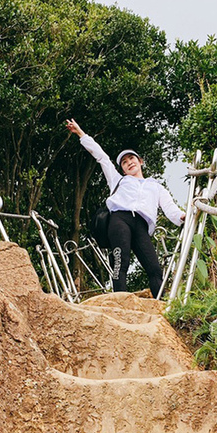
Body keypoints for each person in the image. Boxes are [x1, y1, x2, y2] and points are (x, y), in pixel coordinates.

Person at [65, 118, 184, 298]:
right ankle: (120, 302)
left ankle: (162, 306)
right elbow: (101, 156)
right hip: (119, 219)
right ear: (122, 169)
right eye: (124, 162)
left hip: (142, 225)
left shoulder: (156, 186)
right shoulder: (118, 180)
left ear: (141, 161)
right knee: (121, 263)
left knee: (154, 268)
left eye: (132, 158)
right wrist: (80, 133)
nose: (129, 162)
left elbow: (170, 209)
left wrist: (182, 217)